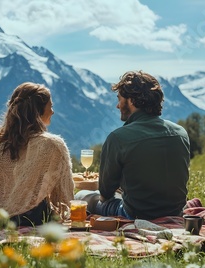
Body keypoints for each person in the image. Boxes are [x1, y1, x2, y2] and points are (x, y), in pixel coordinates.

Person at [75, 71, 190, 220]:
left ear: (131, 101)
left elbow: (105, 194)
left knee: (82, 196)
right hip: (176, 212)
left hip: (136, 214)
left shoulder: (118, 138)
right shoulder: (181, 133)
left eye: (119, 99)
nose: (117, 106)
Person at [0, 82, 74, 226]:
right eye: (50, 106)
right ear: (38, 110)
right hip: (31, 217)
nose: (52, 111)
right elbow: (65, 194)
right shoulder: (52, 144)